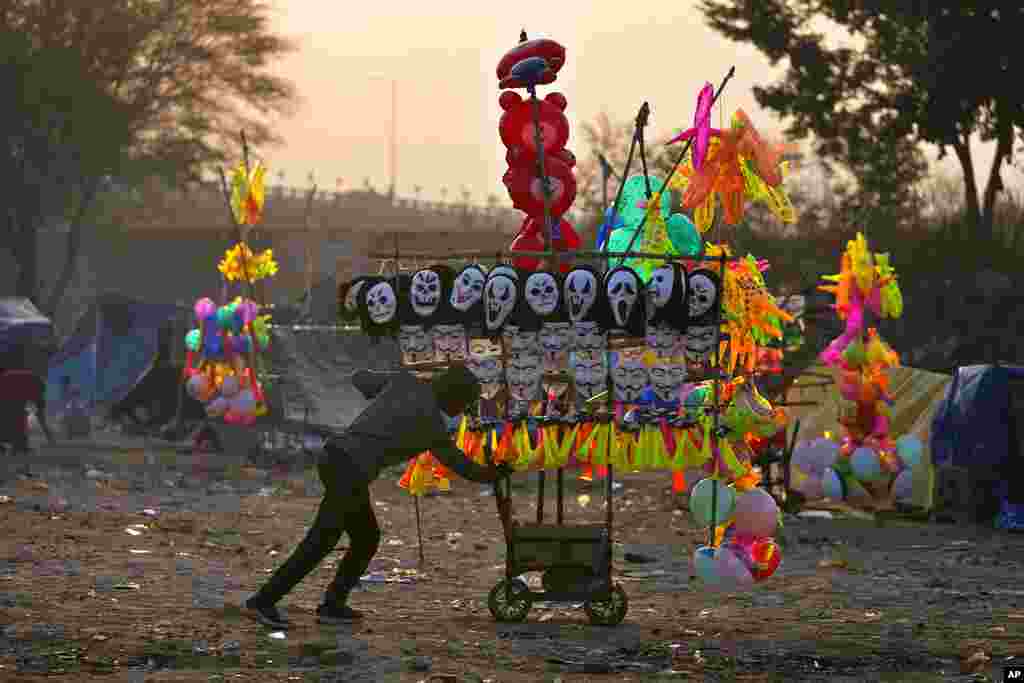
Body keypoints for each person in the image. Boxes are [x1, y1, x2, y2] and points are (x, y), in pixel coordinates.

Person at [244, 363, 507, 628]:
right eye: (463, 403)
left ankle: (332, 605)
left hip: (337, 459)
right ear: (453, 395)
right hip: (350, 468)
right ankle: (264, 601)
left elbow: (361, 377)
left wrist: (390, 389)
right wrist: (495, 473)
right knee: (321, 541)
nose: (462, 411)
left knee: (366, 537)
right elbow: (460, 464)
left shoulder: (404, 382)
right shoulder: (431, 423)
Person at [0, 369, 55, 453]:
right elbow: (40, 414)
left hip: (7, 392)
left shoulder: (33, 381)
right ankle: (19, 445)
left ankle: (17, 445)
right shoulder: (37, 385)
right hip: (6, 394)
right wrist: (47, 433)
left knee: (17, 414)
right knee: (18, 415)